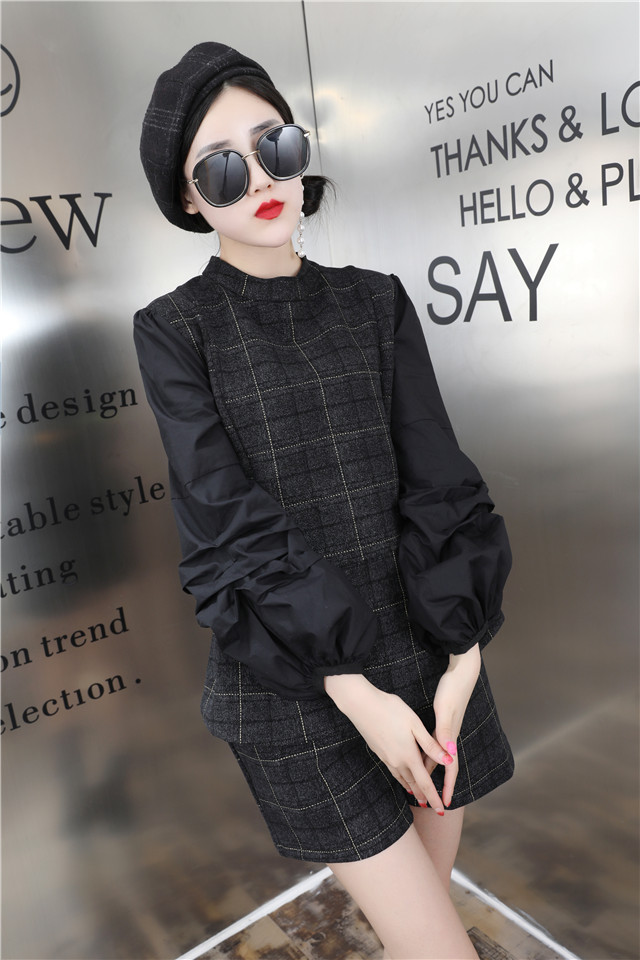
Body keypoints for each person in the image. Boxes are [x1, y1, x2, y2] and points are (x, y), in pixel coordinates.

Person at [134, 42, 514, 960]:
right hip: (295, 678)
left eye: (276, 146)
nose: (262, 179)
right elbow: (227, 523)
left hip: (429, 649)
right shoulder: (175, 330)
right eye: (223, 169)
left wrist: (463, 655)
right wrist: (353, 690)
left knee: (423, 919)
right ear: (190, 199)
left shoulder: (377, 302)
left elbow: (439, 475)